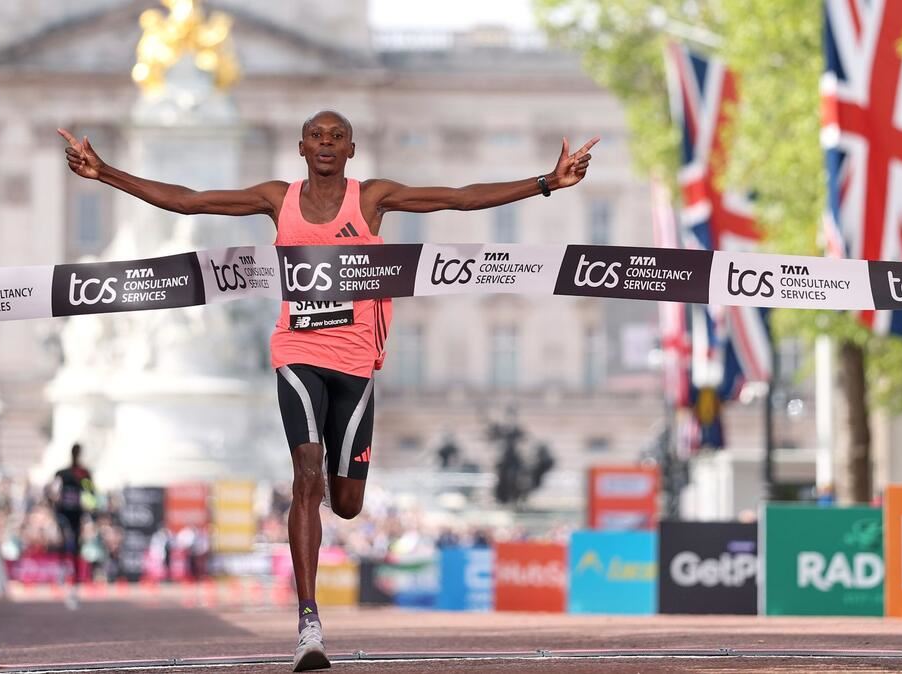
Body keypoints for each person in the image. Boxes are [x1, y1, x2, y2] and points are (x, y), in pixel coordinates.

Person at [59, 112, 596, 671]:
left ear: (351, 149)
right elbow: (190, 202)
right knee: (306, 472)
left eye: (336, 137)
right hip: (296, 351)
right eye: (316, 136)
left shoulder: (372, 199)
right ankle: (309, 622)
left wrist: (546, 182)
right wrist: (105, 172)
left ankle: (328, 535)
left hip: (356, 362)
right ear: (300, 147)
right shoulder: (278, 199)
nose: (326, 144)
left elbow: (459, 198)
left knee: (346, 503)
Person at [48, 443, 95, 610]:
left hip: (75, 514)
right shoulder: (63, 473)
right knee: (65, 542)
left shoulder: (83, 473)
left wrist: (89, 506)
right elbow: (52, 491)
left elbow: (91, 492)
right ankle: (64, 573)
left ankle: (73, 580)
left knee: (74, 546)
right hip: (63, 513)